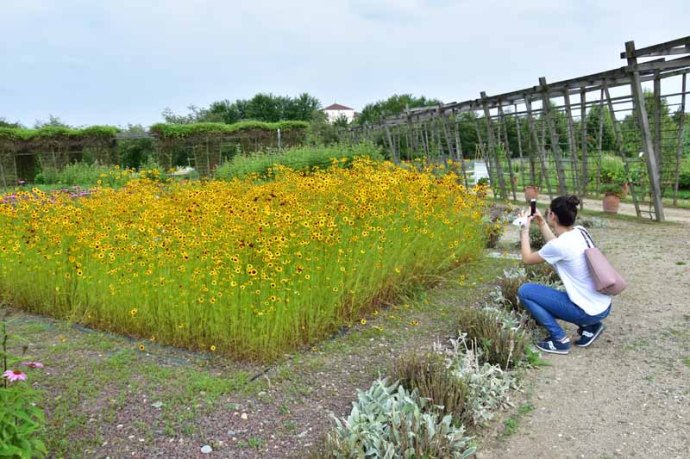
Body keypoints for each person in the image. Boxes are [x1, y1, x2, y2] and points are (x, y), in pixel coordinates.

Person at [517, 195, 612, 354]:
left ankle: (559, 339)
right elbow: (556, 245)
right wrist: (542, 223)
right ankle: (591, 327)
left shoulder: (559, 246)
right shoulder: (580, 231)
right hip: (603, 305)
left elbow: (527, 258)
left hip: (587, 311)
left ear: (552, 215)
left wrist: (524, 230)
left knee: (525, 291)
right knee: (557, 295)